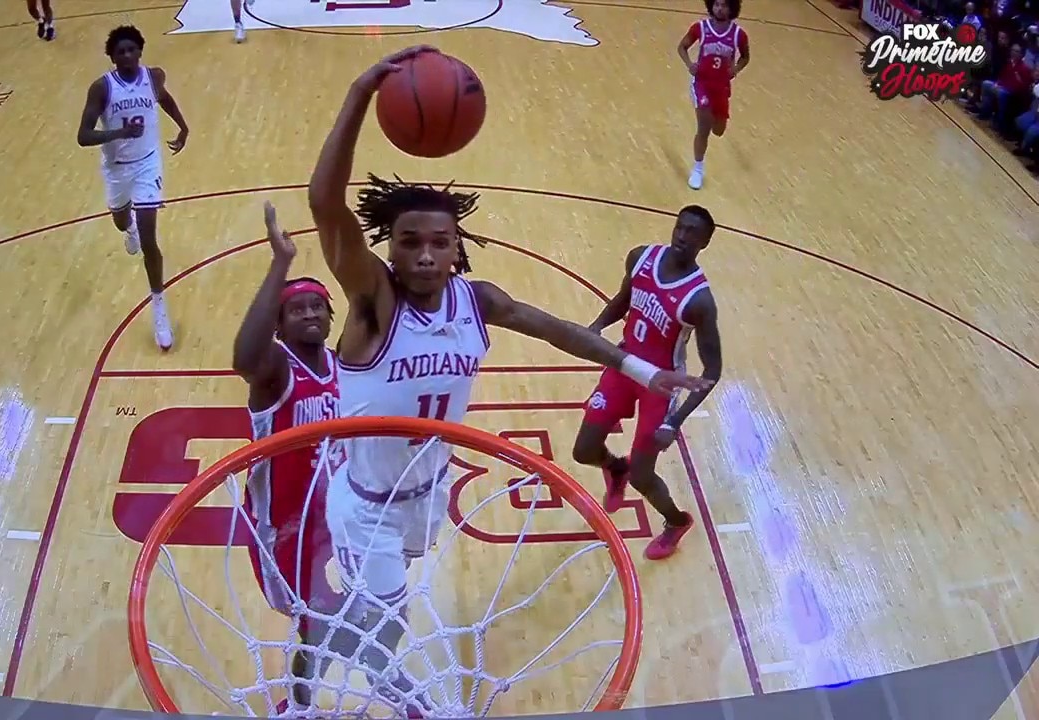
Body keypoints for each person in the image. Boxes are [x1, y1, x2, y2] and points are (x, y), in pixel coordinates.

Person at [306, 45, 714, 714]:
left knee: (396, 586)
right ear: (390, 248)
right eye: (410, 241)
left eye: (440, 241)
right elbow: (325, 203)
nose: (427, 254)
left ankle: (366, 611)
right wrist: (358, 95)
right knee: (387, 617)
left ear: (458, 246)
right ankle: (395, 685)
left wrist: (642, 367)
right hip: (366, 500)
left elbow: (560, 328)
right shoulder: (374, 302)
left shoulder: (479, 300)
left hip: (428, 489)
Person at [232, 201, 343, 714]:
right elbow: (244, 359)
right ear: (279, 324)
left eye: (317, 306)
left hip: (339, 519)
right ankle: (298, 703)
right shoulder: (276, 369)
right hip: (286, 530)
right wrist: (281, 263)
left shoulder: (344, 365)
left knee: (354, 616)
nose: (310, 314)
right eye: (296, 309)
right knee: (318, 625)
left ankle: (303, 698)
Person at [574, 206, 722, 561]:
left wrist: (675, 421)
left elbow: (712, 372)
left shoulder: (699, 301)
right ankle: (614, 466)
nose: (684, 236)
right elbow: (624, 300)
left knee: (644, 477)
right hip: (624, 365)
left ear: (704, 243)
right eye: (681, 227)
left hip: (660, 384)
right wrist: (595, 329)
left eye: (693, 233)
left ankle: (676, 521)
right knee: (583, 451)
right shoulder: (641, 258)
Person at [77, 25, 189, 350]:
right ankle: (130, 230)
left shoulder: (153, 77)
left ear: (140, 50)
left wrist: (183, 127)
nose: (127, 55)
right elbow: (83, 136)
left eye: (132, 50)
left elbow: (165, 99)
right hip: (116, 169)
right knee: (122, 221)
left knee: (151, 239)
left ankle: (159, 306)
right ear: (111, 57)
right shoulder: (102, 88)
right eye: (120, 51)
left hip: (148, 165)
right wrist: (118, 134)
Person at [677, 0, 748, 190]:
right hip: (702, 84)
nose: (719, 8)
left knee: (718, 130)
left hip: (721, 87)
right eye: (716, 4)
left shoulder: (738, 34)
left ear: (731, 8)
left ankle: (699, 164)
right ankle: (698, 168)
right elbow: (682, 47)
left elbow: (745, 56)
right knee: (704, 127)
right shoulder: (700, 27)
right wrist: (690, 64)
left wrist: (736, 68)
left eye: (724, 5)